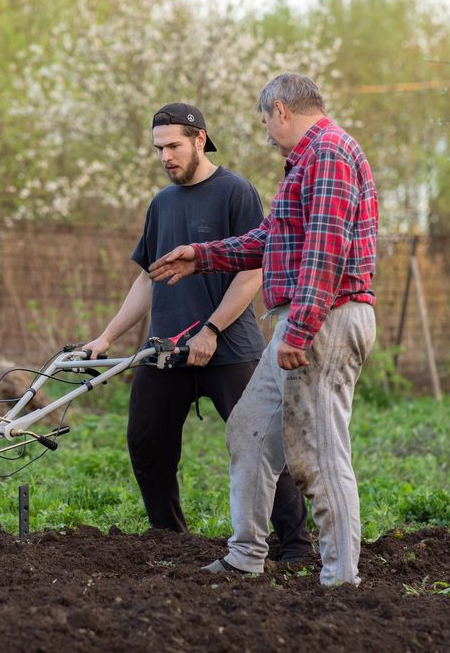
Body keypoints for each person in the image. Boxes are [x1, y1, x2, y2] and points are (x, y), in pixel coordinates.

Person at [148, 75, 378, 587]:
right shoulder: (306, 161)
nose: (268, 136)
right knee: (248, 429)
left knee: (320, 454)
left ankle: (341, 580)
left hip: (325, 318)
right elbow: (273, 238)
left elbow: (324, 251)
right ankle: (246, 555)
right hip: (302, 318)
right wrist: (201, 256)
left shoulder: (329, 153)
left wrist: (299, 330)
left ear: (280, 110)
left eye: (265, 124)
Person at [82, 102, 312, 563]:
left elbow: (254, 270)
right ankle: (169, 537)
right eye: (158, 148)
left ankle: (297, 547)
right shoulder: (162, 203)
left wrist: (210, 329)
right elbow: (148, 276)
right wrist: (105, 338)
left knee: (260, 442)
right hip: (165, 349)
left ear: (199, 140)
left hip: (228, 347)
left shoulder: (235, 192)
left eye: (173, 146)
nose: (165, 156)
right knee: (147, 443)